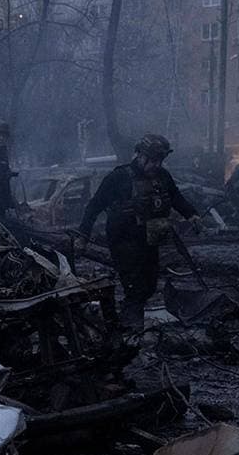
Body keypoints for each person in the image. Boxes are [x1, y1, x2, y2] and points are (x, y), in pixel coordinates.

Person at [78, 133, 198, 332]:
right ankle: (131, 328)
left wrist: (192, 215)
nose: (156, 165)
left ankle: (127, 320)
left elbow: (176, 197)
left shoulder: (162, 176)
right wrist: (83, 237)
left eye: (160, 160)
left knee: (150, 284)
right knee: (134, 285)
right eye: (153, 160)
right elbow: (94, 206)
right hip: (123, 240)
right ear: (140, 156)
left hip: (150, 239)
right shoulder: (119, 177)